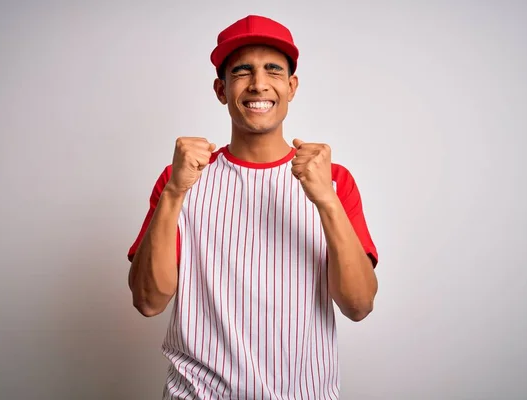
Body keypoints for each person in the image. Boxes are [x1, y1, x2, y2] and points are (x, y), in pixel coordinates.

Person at [127, 14, 379, 400]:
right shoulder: (179, 178)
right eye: (242, 71)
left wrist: (325, 200)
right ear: (221, 89)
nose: (259, 83)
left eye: (273, 70)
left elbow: (359, 305)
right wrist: (175, 192)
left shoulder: (333, 179)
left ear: (291, 86)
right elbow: (148, 301)